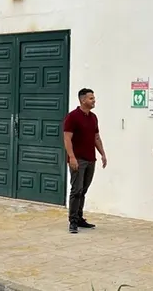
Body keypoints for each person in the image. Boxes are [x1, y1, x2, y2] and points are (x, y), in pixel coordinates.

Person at [63, 88, 107, 234]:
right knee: (76, 190)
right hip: (78, 160)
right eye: (91, 98)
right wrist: (72, 157)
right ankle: (73, 221)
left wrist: (102, 154)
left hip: (90, 159)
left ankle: (80, 218)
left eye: (94, 98)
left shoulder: (93, 117)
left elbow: (96, 137)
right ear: (83, 100)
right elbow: (67, 138)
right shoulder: (72, 117)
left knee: (83, 190)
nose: (94, 101)